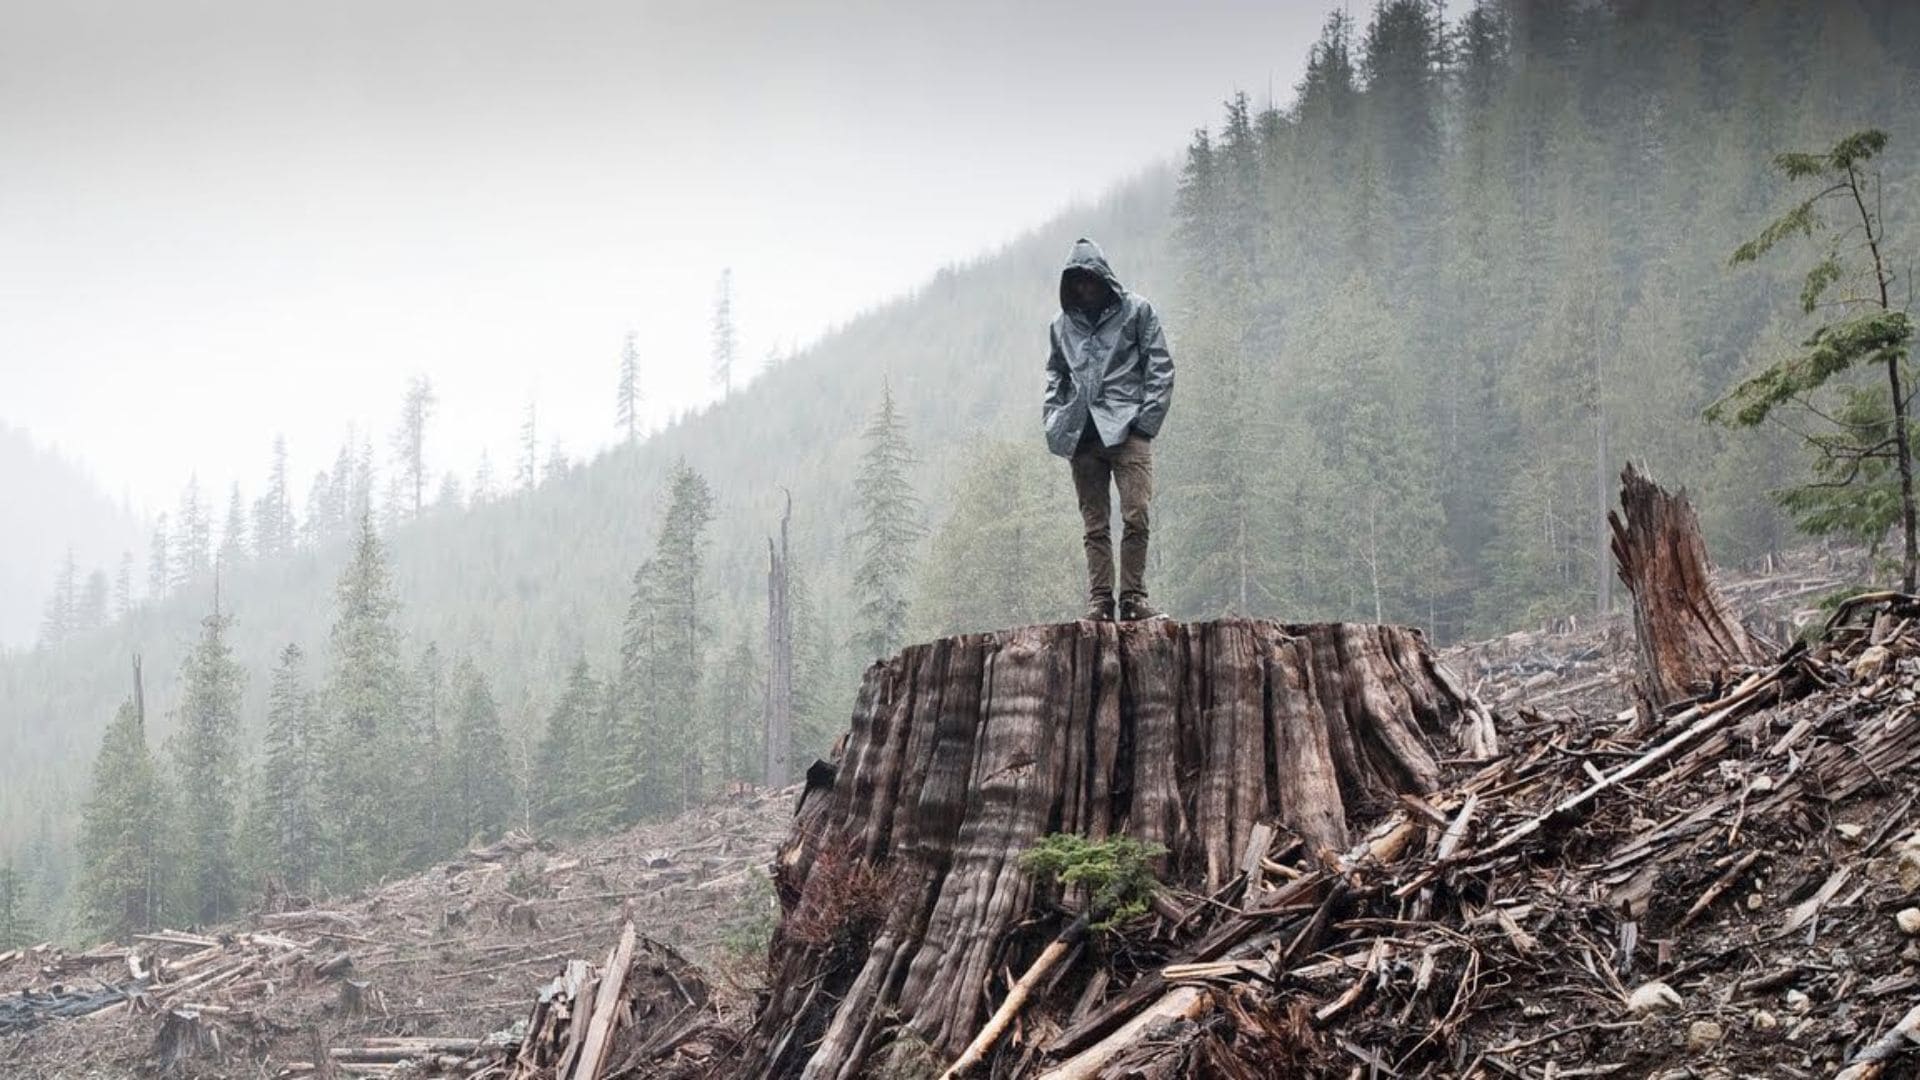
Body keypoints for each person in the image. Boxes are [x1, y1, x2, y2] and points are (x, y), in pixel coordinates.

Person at [1043, 238, 1174, 622]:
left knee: (1137, 515)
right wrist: (1056, 418)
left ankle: (1133, 597)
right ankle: (1101, 601)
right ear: (1070, 283)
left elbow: (1160, 366)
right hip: (1082, 435)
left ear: (1103, 276)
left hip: (1129, 431)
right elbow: (1055, 372)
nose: (1085, 286)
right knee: (1094, 524)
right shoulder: (1061, 324)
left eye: (1090, 278)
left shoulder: (1137, 311)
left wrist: (1145, 423)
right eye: (1077, 280)